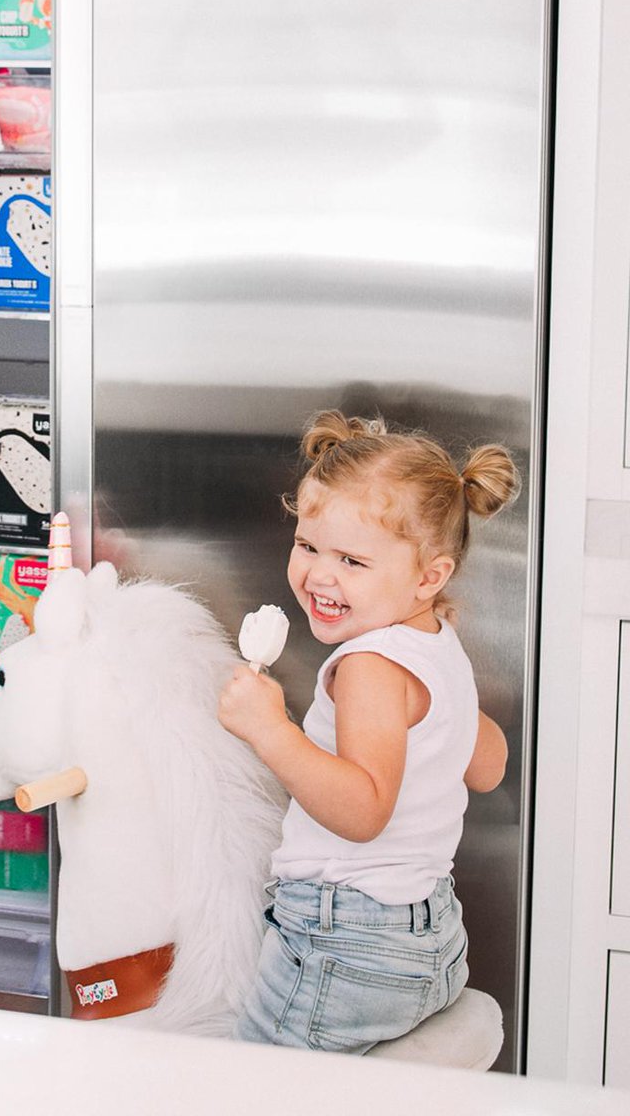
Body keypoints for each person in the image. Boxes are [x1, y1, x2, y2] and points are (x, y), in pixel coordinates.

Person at [218, 410, 519, 1052]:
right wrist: (458, 715)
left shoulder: (369, 667)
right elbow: (489, 767)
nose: (320, 575)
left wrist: (270, 728)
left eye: (353, 560)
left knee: (247, 1085)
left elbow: (362, 811)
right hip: (432, 937)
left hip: (346, 947)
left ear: (428, 576)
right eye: (308, 546)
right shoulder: (435, 644)